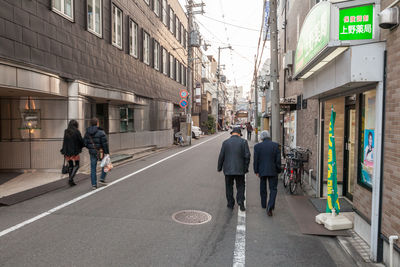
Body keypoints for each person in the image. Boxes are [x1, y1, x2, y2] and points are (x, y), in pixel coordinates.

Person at [217, 127, 251, 211]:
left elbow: (221, 156)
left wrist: (219, 167)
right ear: (239, 134)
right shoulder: (243, 142)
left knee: (229, 187)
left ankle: (230, 203)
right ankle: (241, 202)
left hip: (228, 169)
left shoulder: (225, 143)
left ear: (232, 133)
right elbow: (247, 156)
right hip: (240, 169)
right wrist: (245, 168)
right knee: (241, 186)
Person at [253, 130, 281, 216]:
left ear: (261, 137)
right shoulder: (276, 146)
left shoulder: (257, 147)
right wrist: (278, 170)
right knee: (273, 189)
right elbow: (278, 160)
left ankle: (263, 204)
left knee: (263, 188)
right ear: (269, 136)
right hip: (273, 170)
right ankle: (270, 206)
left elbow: (256, 160)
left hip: (262, 170)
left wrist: (256, 171)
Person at [84, 118, 110, 190]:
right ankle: (102, 178)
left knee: (93, 168)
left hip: (92, 152)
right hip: (101, 151)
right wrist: (107, 153)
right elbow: (105, 144)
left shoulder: (87, 132)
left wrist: (90, 148)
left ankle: (94, 185)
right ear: (97, 123)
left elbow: (85, 143)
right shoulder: (101, 132)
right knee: (106, 164)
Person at [61, 120, 84, 186]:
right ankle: (70, 179)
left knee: (70, 165)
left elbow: (65, 142)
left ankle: (71, 181)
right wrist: (84, 145)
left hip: (66, 151)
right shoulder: (76, 131)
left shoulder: (66, 131)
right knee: (77, 165)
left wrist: (63, 150)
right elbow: (80, 141)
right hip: (74, 151)